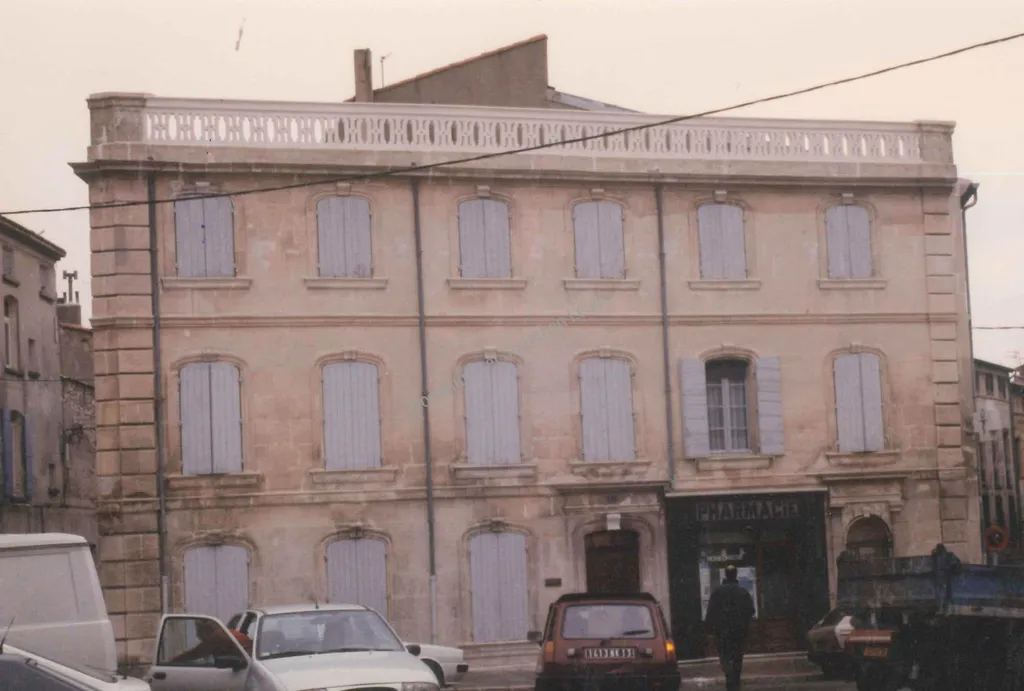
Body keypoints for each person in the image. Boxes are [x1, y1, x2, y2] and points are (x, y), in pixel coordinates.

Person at [704, 564, 756, 691]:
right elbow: (751, 610)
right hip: (739, 631)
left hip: (722, 632)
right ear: (736, 575)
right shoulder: (742, 592)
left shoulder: (717, 592)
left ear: (725, 575)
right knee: (737, 656)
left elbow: (711, 612)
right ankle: (735, 680)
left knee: (725, 656)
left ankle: (729, 678)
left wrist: (709, 630)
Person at [170, 618, 250, 664]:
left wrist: (172, 662)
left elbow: (195, 653)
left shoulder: (217, 637)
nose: (197, 635)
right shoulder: (223, 633)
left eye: (198, 630)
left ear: (205, 630)